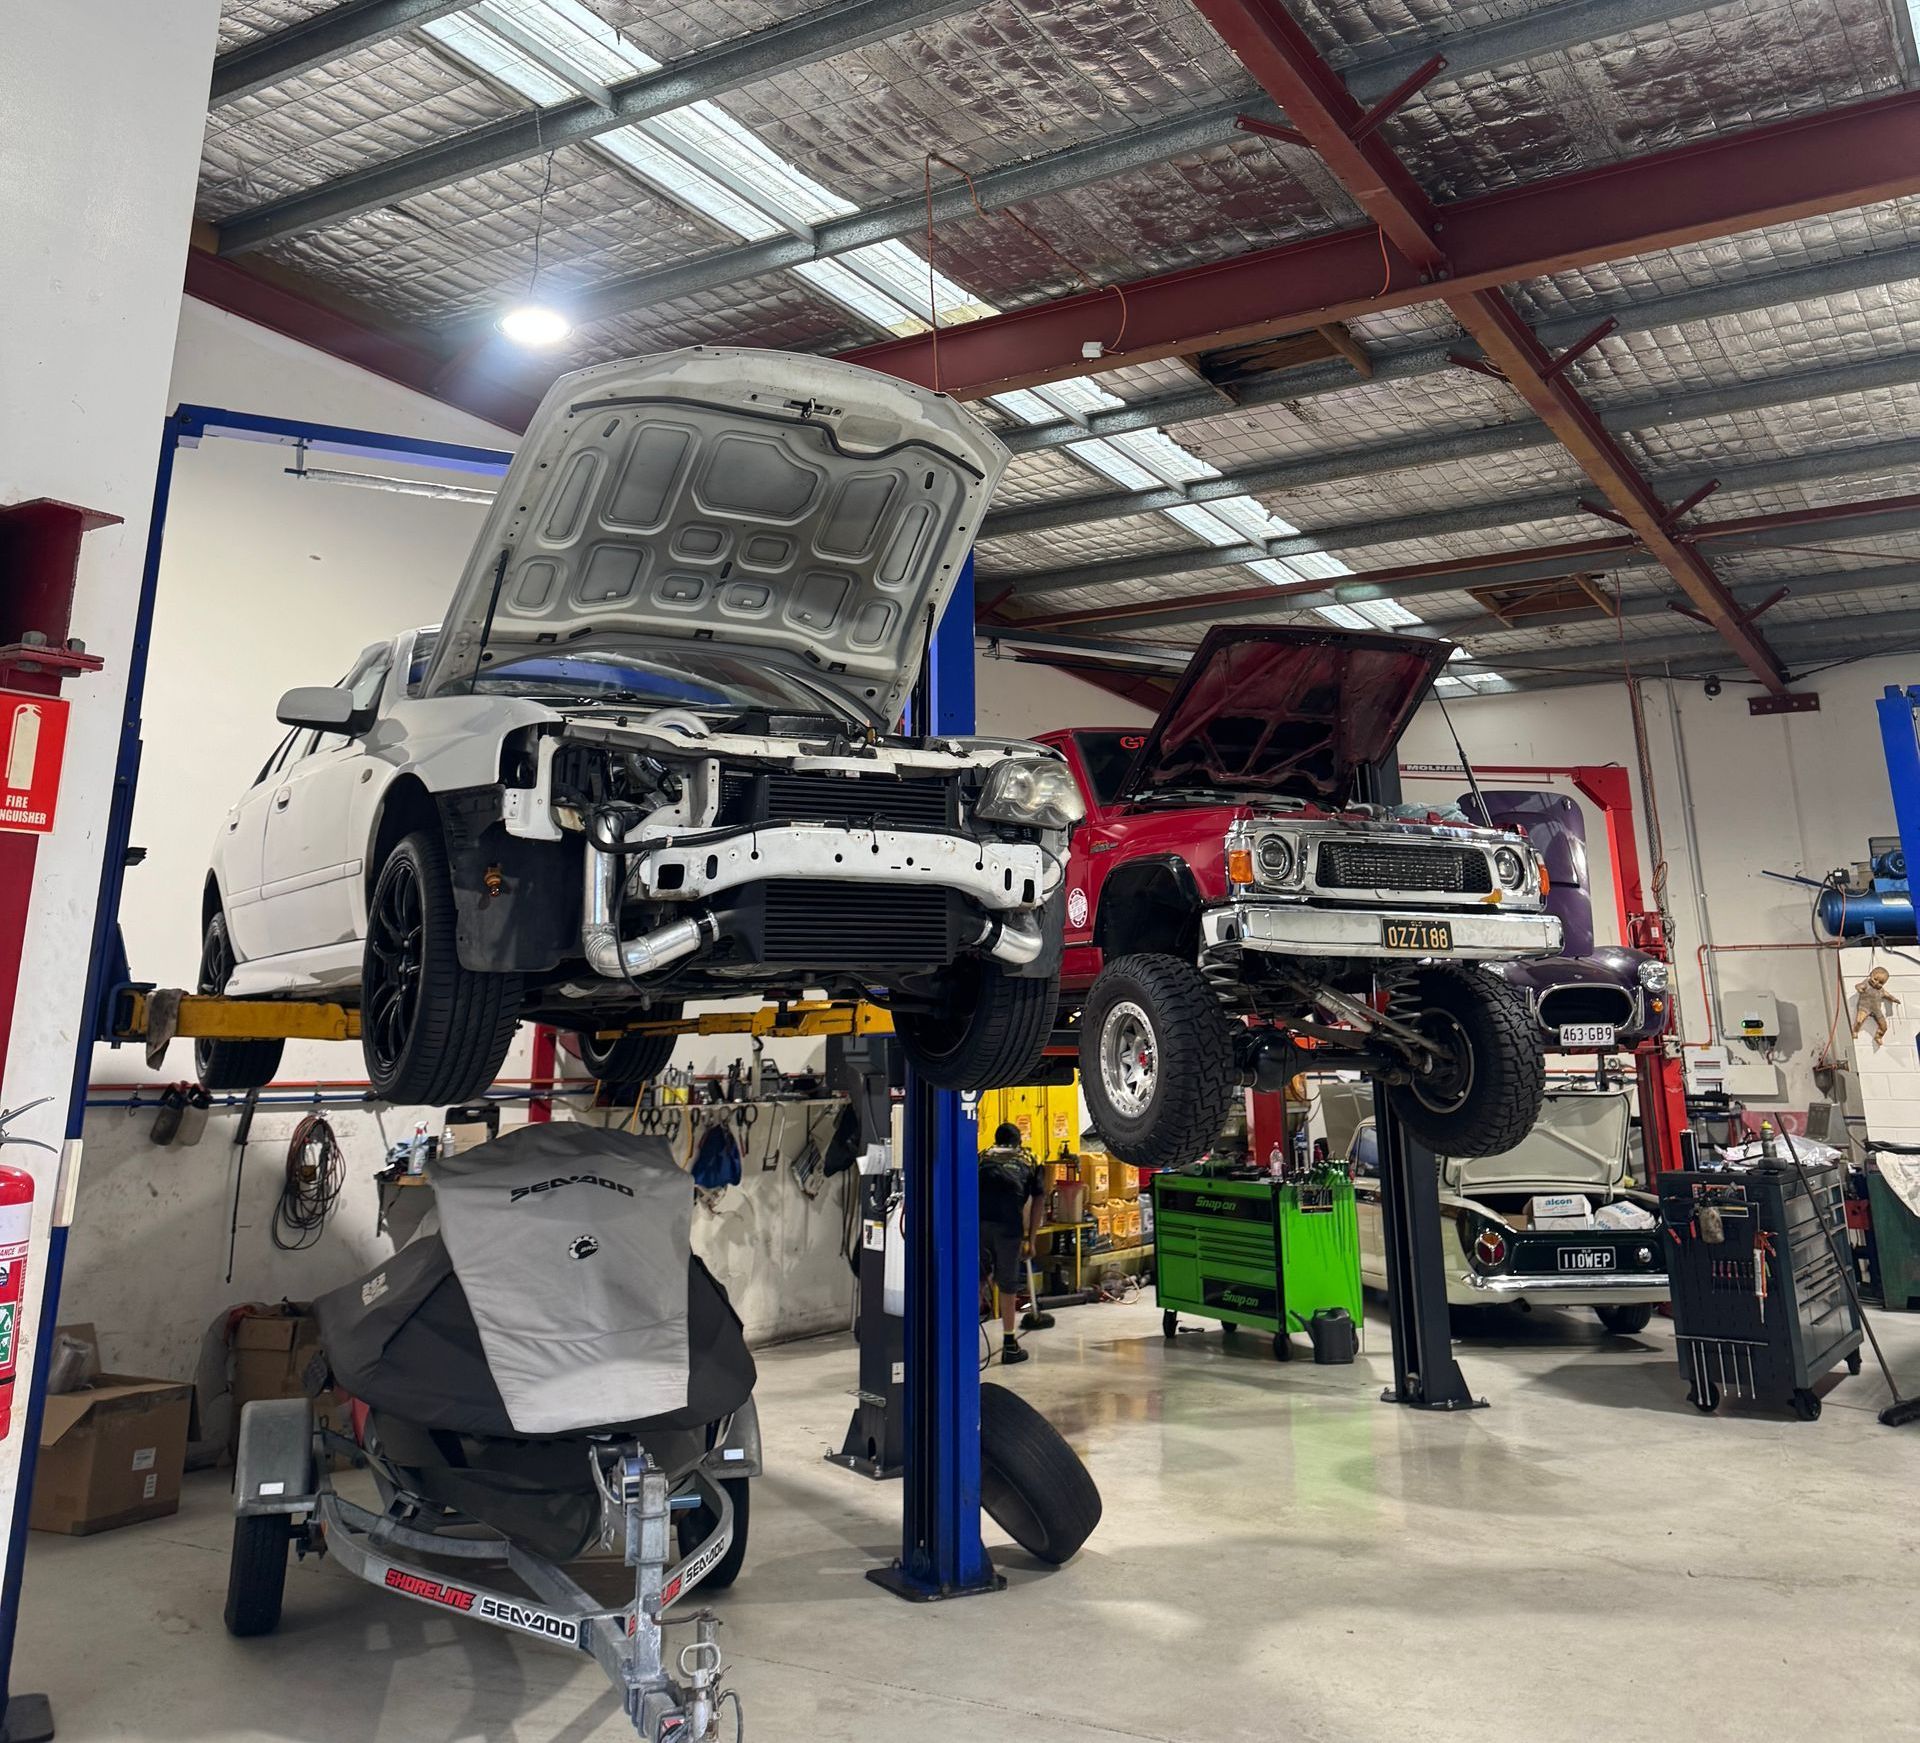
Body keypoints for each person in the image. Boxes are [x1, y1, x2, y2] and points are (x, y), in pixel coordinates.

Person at [980, 1122, 1045, 1365]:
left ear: (996, 1141)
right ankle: (1010, 1344)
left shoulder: (981, 1156)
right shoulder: (1030, 1158)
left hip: (978, 1224)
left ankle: (965, 1341)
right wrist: (1031, 1239)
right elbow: (1038, 1200)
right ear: (1019, 1142)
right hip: (1009, 1227)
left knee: (976, 1279)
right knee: (1007, 1286)